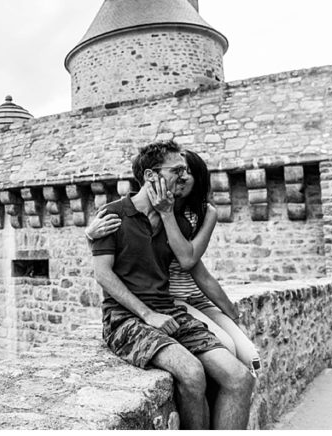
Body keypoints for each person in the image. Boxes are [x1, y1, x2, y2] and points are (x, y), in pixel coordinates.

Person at [89, 140, 253, 430]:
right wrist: (147, 314)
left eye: (186, 170)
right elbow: (103, 274)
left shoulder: (177, 221)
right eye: (177, 170)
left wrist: (230, 312)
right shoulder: (113, 215)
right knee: (192, 373)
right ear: (151, 176)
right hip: (125, 320)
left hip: (170, 312)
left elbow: (193, 265)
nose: (184, 176)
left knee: (239, 378)